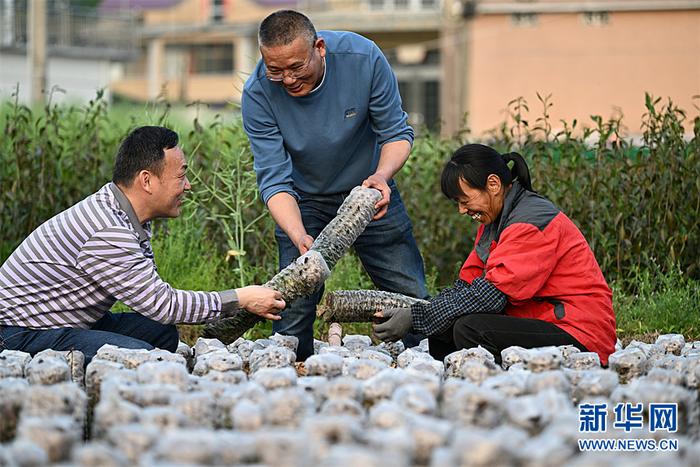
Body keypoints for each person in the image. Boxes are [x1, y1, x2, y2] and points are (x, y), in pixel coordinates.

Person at [0, 126, 285, 363]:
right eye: (181, 176)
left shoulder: (124, 213)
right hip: (18, 333)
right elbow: (162, 304)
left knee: (160, 333)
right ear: (147, 180)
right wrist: (240, 297)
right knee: (147, 361)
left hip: (59, 322)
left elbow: (155, 306)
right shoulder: (108, 229)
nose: (188, 186)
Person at [241, 10, 428, 359]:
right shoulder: (257, 94)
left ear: (320, 48)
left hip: (369, 192)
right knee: (293, 307)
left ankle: (431, 363)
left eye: (296, 67)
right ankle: (288, 377)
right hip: (302, 201)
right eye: (275, 70)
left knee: (409, 291)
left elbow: (396, 133)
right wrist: (298, 235)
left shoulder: (364, 58)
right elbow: (274, 179)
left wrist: (381, 177)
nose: (288, 79)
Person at [374, 144, 617, 366]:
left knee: (470, 329)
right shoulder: (494, 223)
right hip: (539, 319)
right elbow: (466, 287)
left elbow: (491, 297)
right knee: (443, 330)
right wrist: (421, 314)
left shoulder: (530, 222)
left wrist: (415, 317)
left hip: (579, 332)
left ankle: (504, 383)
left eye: (464, 200)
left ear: (493, 184)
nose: (461, 210)